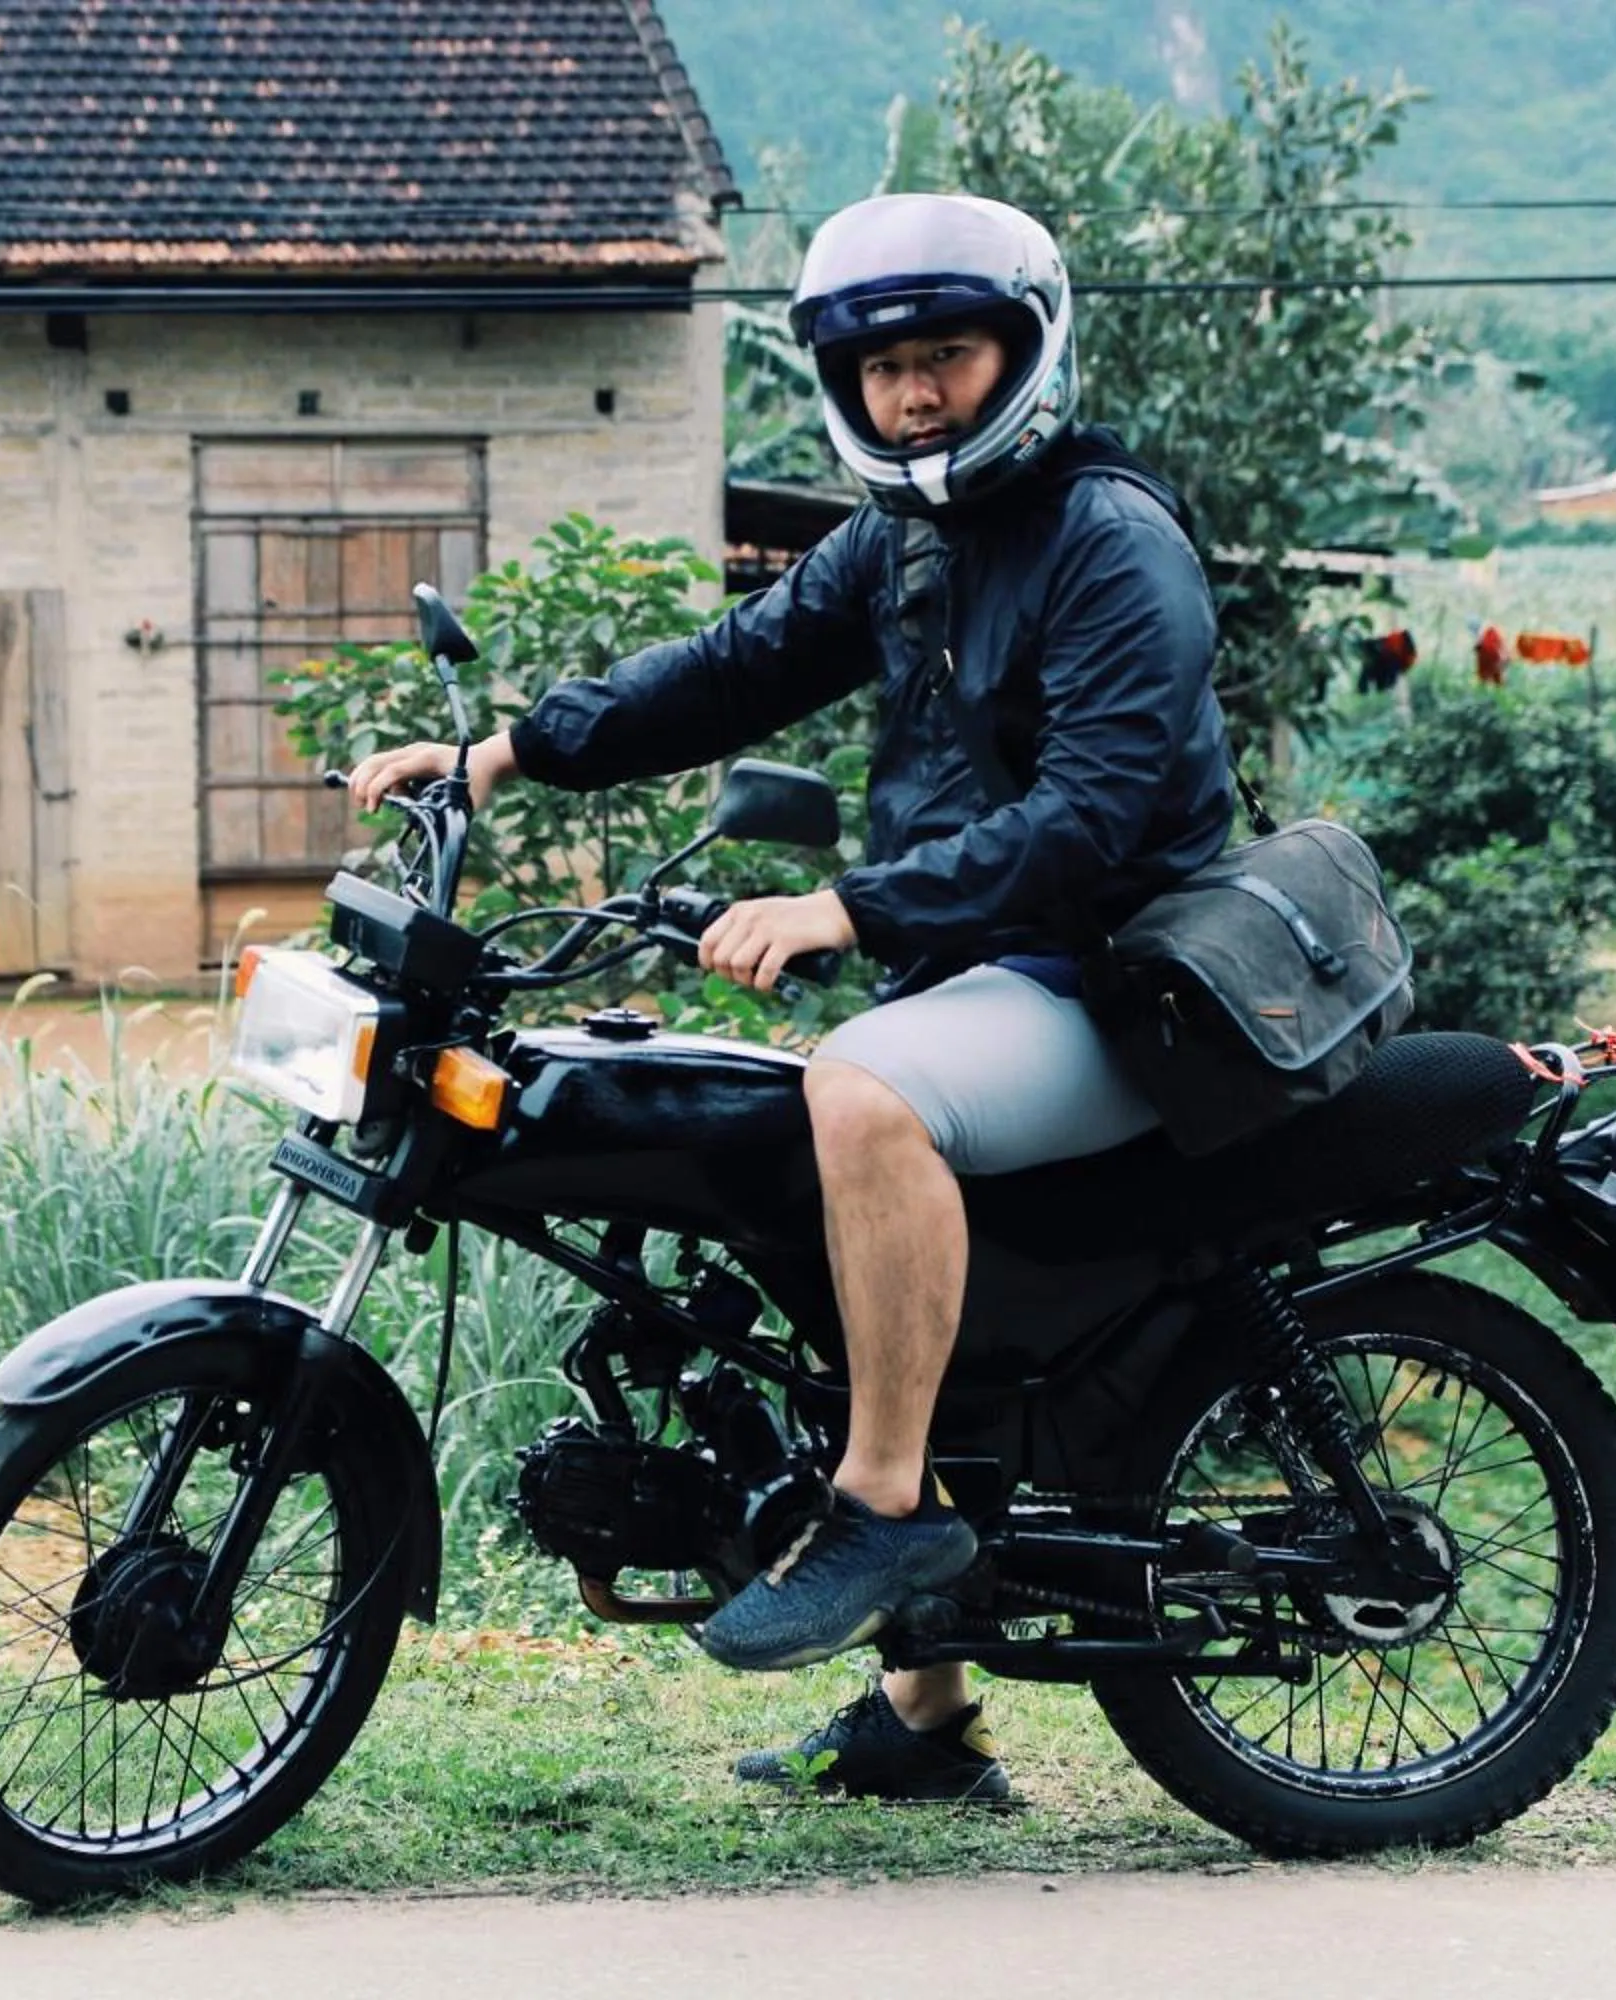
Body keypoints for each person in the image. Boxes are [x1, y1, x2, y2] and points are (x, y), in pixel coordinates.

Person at [345, 192, 1236, 1803]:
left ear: (1021, 353)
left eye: (948, 356)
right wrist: (507, 753)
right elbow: (734, 666)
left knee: (862, 1093)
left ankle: (884, 1510)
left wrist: (844, 904)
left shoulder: (1113, 543)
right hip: (976, 975)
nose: (914, 396)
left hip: (1117, 983)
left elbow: (1095, 815)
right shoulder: (904, 544)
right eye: (884, 366)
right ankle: (924, 1719)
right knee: (789, 1187)